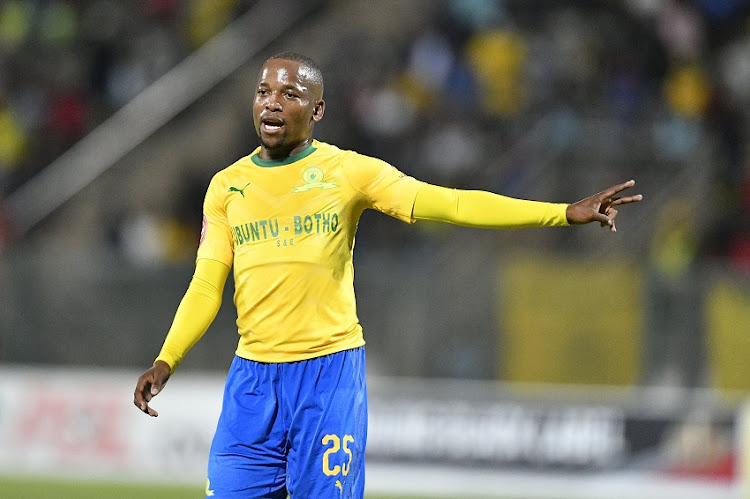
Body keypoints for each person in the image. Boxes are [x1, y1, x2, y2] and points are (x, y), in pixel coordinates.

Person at [133, 51, 642, 498]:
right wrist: (166, 358)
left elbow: (451, 203)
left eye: (290, 94)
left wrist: (559, 212)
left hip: (326, 377)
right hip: (252, 382)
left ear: (318, 110)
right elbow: (206, 284)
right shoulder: (227, 187)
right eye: (264, 91)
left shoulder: (349, 173)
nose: (271, 103)